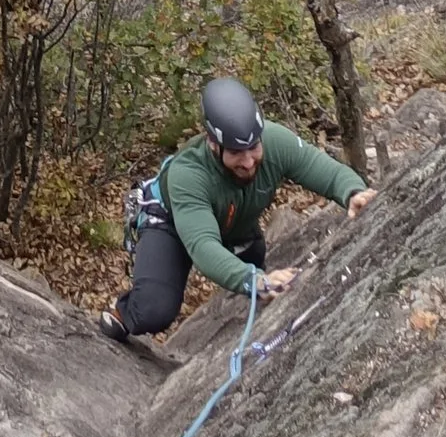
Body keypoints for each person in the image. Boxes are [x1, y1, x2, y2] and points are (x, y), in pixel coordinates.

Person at [102, 75, 375, 344]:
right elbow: (202, 246)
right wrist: (253, 280)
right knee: (153, 311)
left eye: (253, 148)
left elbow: (318, 167)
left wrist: (352, 192)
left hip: (233, 225)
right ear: (213, 144)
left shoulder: (273, 140)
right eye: (235, 153)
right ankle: (123, 312)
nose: (248, 162)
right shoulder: (189, 175)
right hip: (170, 224)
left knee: (256, 260)